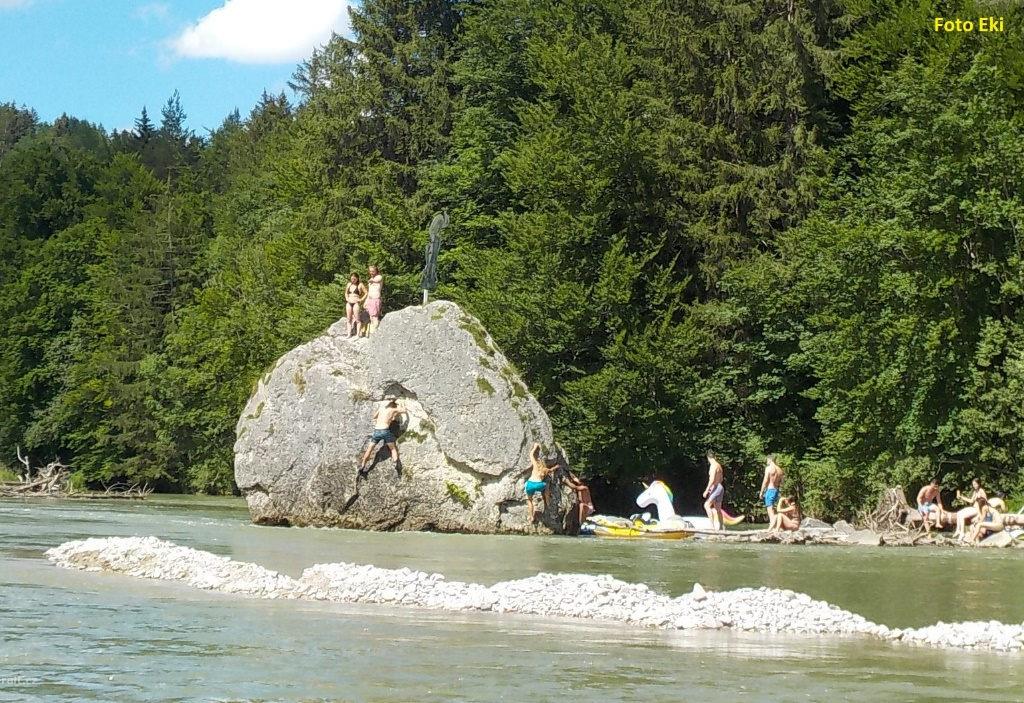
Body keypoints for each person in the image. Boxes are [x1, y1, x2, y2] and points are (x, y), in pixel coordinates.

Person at [358, 398, 407, 474]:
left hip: (377, 431)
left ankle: (363, 465)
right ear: (393, 406)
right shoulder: (393, 410)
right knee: (393, 449)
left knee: (369, 449)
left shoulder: (381, 409)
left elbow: (374, 416)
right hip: (385, 430)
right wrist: (400, 403)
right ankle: (395, 463)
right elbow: (404, 410)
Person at [525, 443, 559, 521]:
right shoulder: (545, 469)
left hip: (530, 484)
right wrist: (556, 467)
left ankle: (531, 516)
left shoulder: (535, 466)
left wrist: (535, 447)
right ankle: (547, 501)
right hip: (539, 485)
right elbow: (551, 470)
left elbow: (531, 455)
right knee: (546, 486)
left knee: (529, 500)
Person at [702, 451, 725, 531]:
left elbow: (711, 479)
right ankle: (721, 527)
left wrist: (707, 490)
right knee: (718, 508)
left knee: (706, 505)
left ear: (708, 458)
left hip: (716, 487)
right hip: (720, 487)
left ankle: (712, 527)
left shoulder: (713, 466)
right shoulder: (719, 466)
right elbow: (721, 478)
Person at [759, 455, 784, 525]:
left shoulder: (769, 468)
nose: (766, 462)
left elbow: (765, 480)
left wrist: (761, 491)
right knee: (773, 508)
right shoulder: (779, 469)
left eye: (767, 460)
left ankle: (772, 524)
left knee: (769, 508)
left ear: (770, 460)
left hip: (770, 489)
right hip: (776, 490)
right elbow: (782, 482)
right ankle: (776, 524)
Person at [345, 273, 367, 338]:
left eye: (354, 279)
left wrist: (361, 299)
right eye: (352, 278)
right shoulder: (349, 284)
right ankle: (349, 334)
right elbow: (346, 292)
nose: (353, 280)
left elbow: (366, 292)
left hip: (356, 302)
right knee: (348, 319)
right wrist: (347, 298)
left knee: (357, 319)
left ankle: (358, 335)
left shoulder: (360, 284)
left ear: (357, 278)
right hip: (349, 302)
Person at [364, 265, 384, 335]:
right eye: (370, 271)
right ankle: (372, 332)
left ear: (376, 271)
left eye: (373, 271)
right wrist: (366, 301)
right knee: (371, 317)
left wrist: (371, 280)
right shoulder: (371, 279)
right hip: (370, 299)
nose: (371, 273)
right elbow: (369, 291)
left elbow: (376, 280)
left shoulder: (379, 277)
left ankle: (375, 333)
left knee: (375, 316)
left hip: (375, 299)